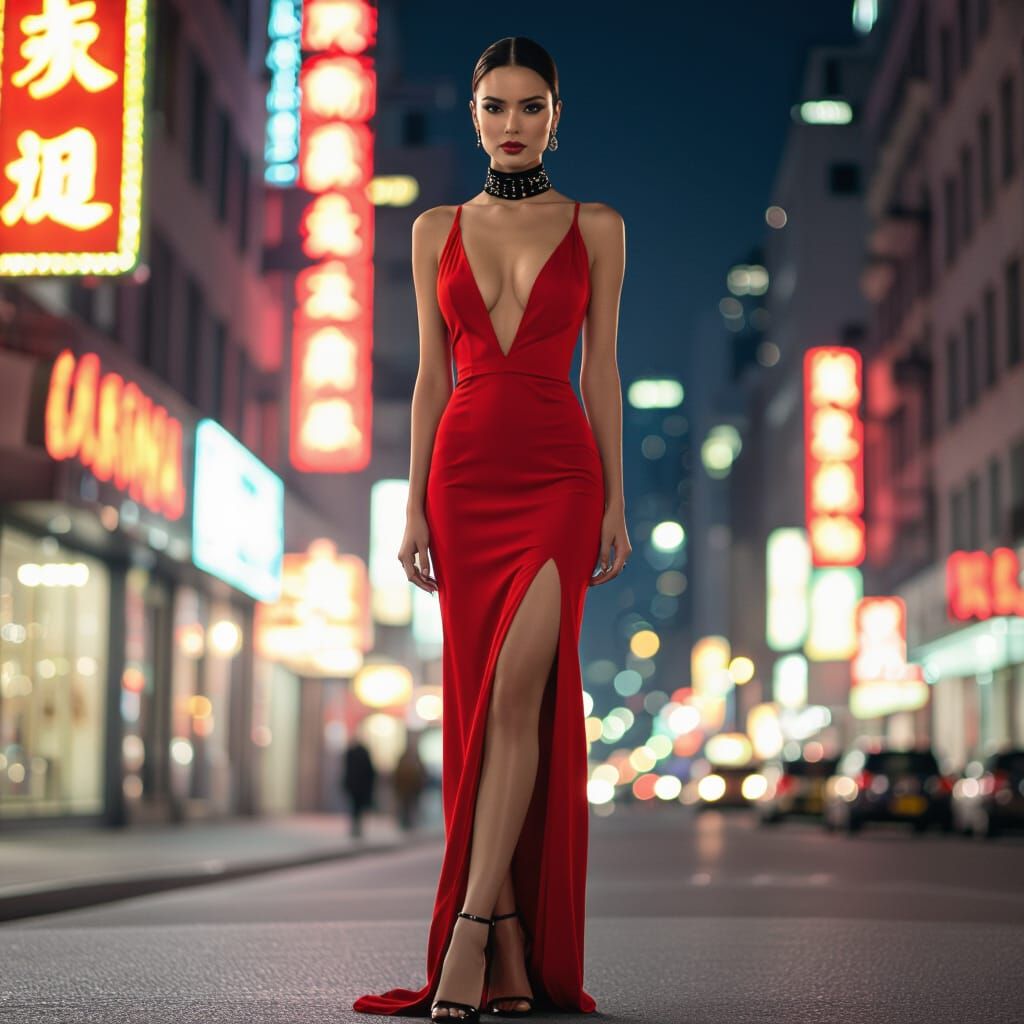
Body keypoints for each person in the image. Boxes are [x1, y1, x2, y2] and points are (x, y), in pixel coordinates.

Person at [353, 35, 629, 1022]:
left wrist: (618, 503)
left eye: (531, 107)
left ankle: (470, 932)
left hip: (560, 476)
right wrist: (415, 500)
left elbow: (600, 373)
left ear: (558, 115)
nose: (512, 125)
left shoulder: (597, 225)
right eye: (495, 108)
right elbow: (431, 377)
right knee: (481, 713)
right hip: (465, 476)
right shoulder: (433, 229)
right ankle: (507, 948)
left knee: (520, 691)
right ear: (474, 117)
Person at [341, 737, 376, 838]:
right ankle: (357, 827)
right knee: (358, 807)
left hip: (354, 786)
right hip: (360, 787)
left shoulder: (351, 753)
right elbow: (371, 772)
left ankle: (355, 827)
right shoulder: (362, 753)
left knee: (354, 807)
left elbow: (347, 770)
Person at [393, 733, 428, 830]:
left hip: (413, 787)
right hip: (405, 788)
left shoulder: (416, 759)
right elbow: (397, 774)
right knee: (405, 805)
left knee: (411, 805)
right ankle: (405, 822)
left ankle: (410, 822)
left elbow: (422, 773)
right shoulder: (404, 759)